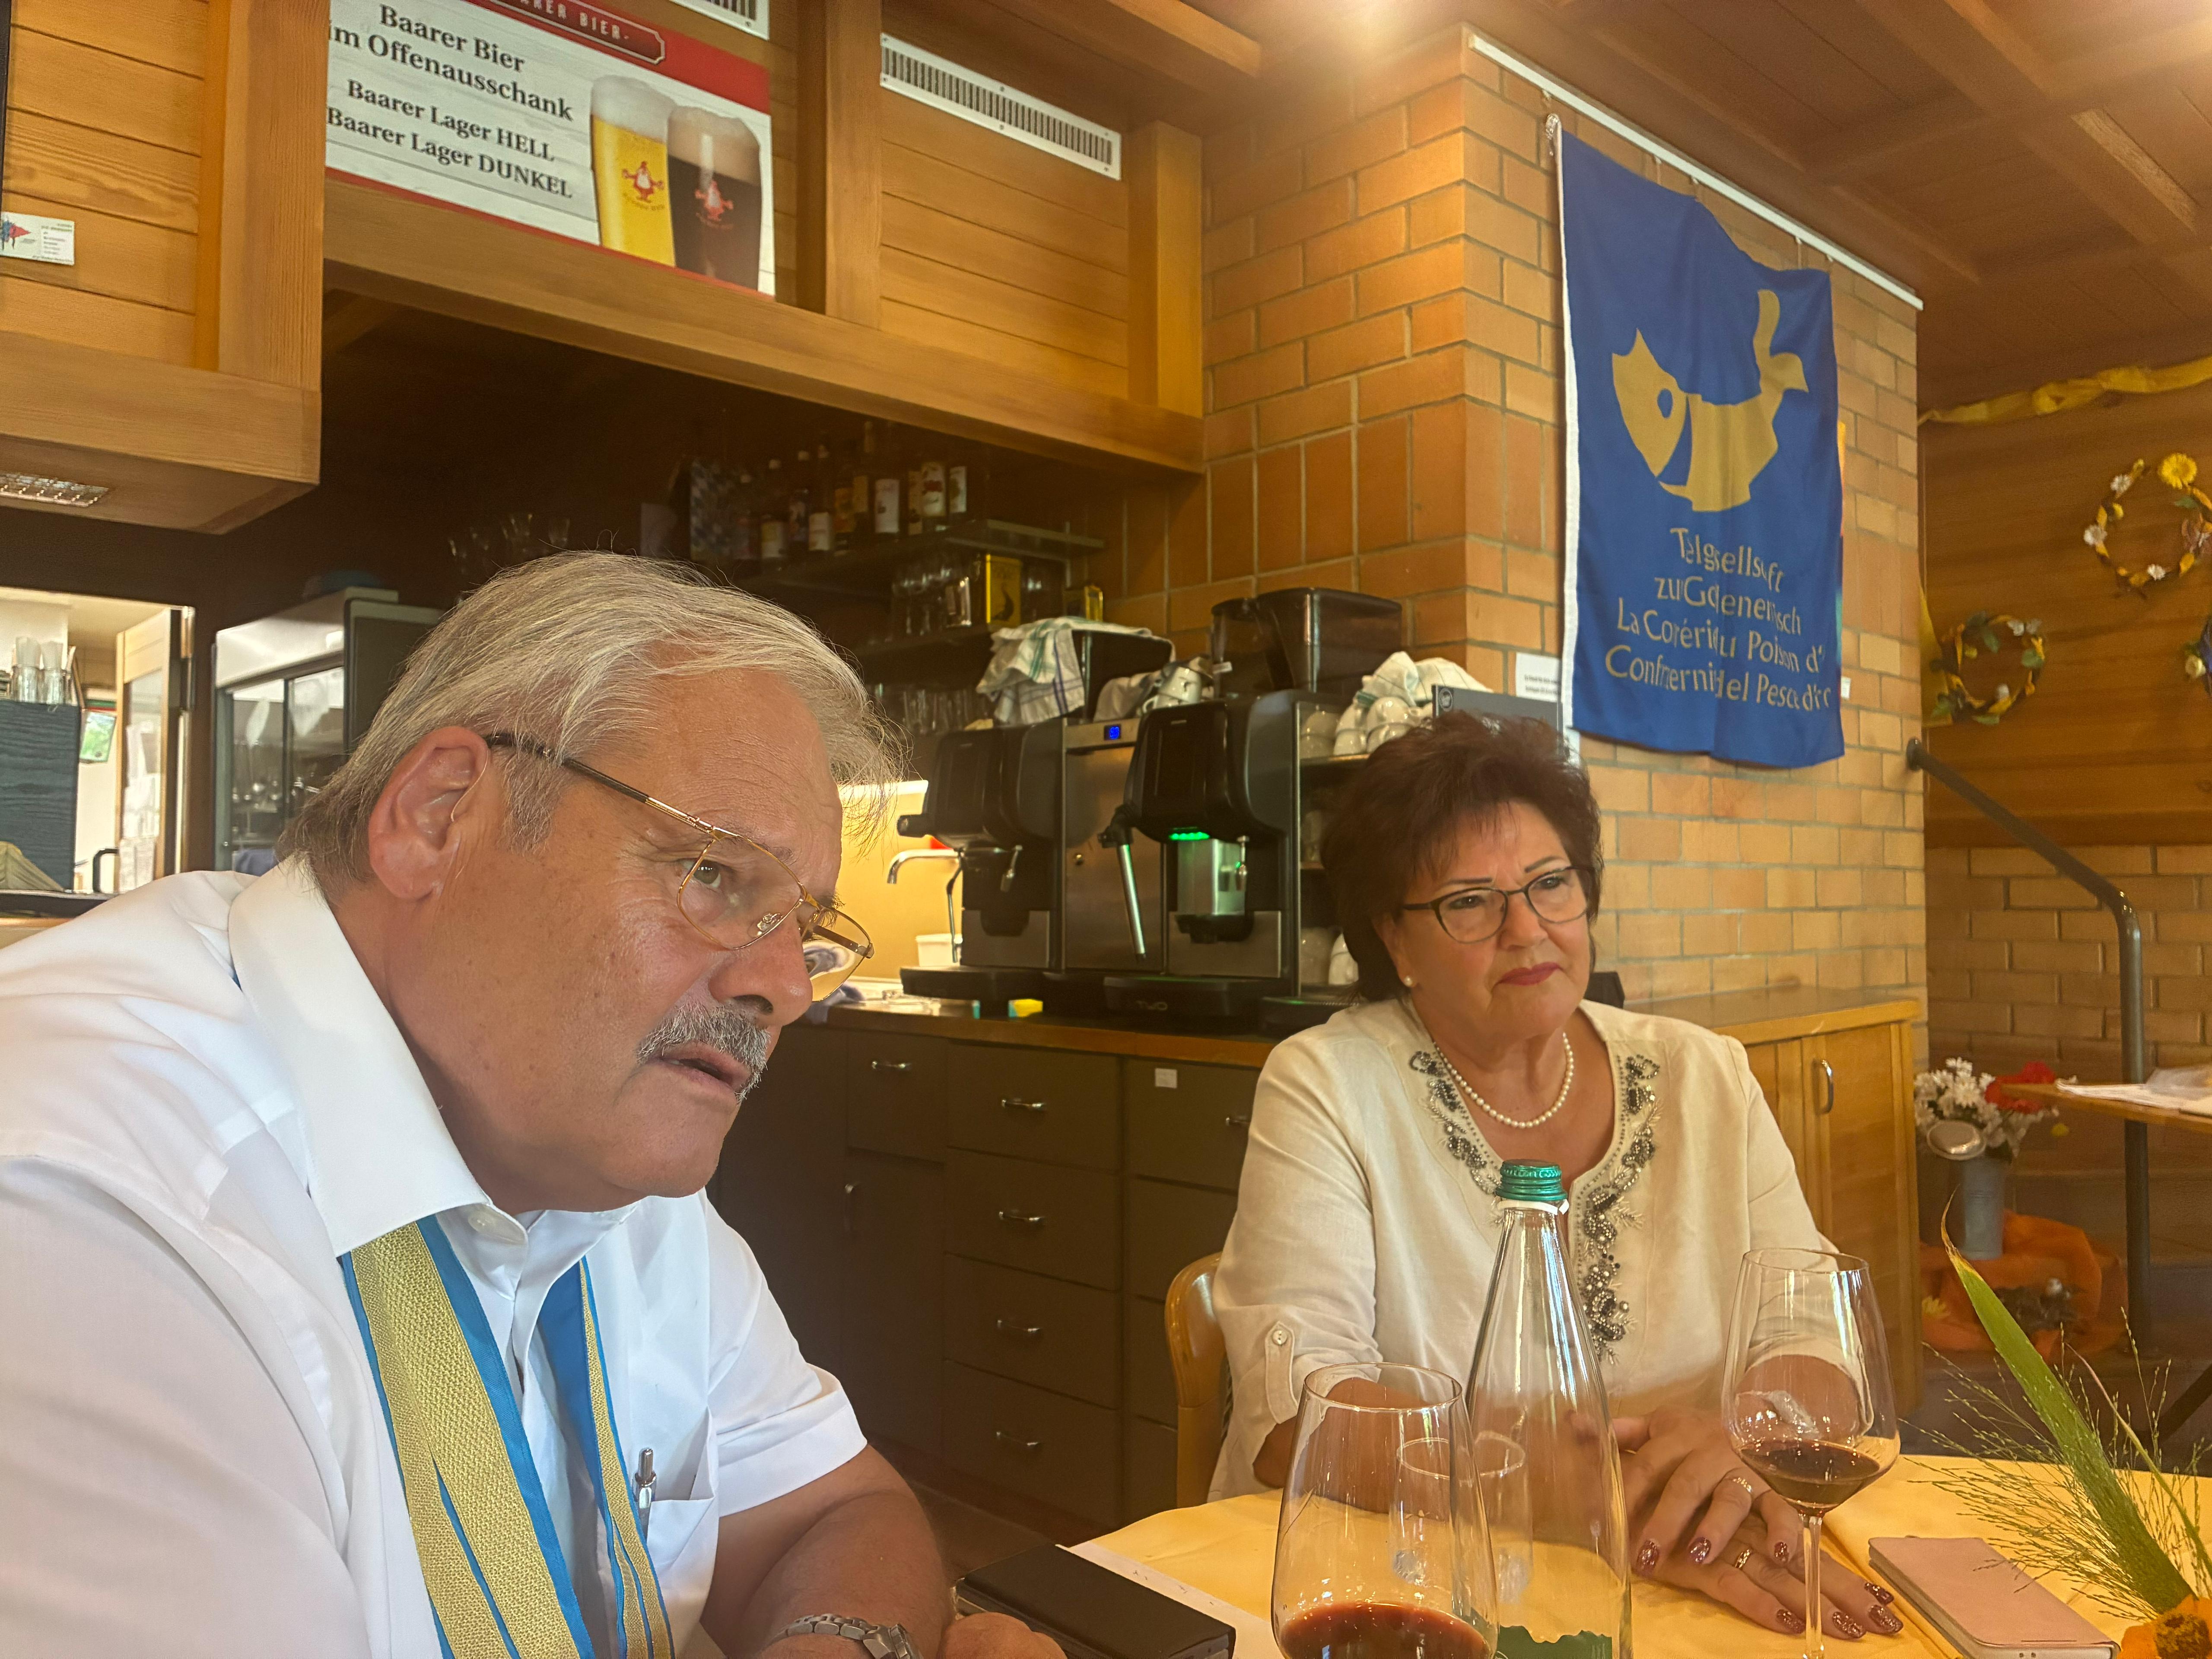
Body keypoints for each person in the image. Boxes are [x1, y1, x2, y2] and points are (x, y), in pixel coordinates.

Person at [0, 553, 1060, 1659]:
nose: (786, 988)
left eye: (807, 932)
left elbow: (831, 1509)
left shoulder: (589, 1150)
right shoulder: (79, 1200)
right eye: (713, 874)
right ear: (438, 816)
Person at [1211, 712, 1903, 1643]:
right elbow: (1302, 1415)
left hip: (1697, 1550)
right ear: (1395, 942)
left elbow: (1815, 1331)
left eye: (1550, 884)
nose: (1527, 929)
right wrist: (1601, 1493)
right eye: (1469, 902)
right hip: (1396, 1592)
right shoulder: (1328, 1084)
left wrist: (1750, 1439)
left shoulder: (1705, 1074)